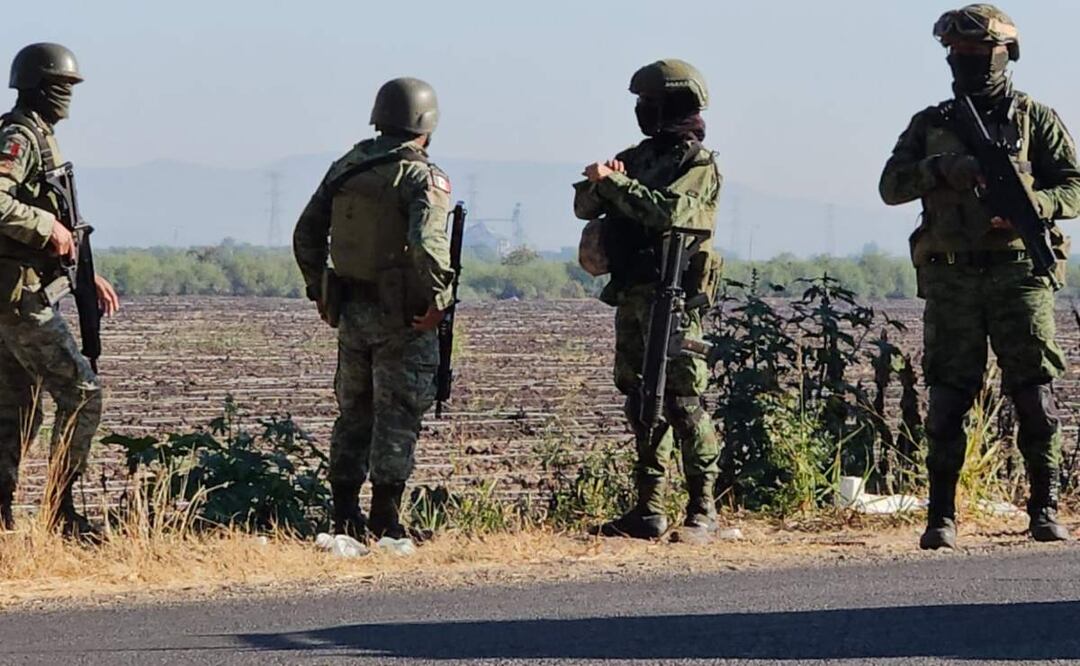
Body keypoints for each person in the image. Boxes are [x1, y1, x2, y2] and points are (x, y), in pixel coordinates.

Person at [880, 4, 1080, 549]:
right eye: (957, 54)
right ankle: (941, 516)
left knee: (1035, 395)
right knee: (948, 398)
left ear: (1004, 56)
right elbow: (891, 185)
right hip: (951, 279)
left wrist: (1029, 205)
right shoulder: (932, 123)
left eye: (977, 54)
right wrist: (940, 170)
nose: (966, 63)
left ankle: (1044, 508)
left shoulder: (1036, 119)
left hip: (1018, 275)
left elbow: (1074, 187)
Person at [293, 77, 454, 546]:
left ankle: (343, 515)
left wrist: (320, 289)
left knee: (353, 412)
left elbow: (306, 233)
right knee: (398, 412)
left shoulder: (346, 167)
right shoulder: (424, 176)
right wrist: (438, 300)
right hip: (403, 315)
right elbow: (427, 244)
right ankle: (385, 519)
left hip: (351, 312)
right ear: (426, 124)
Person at [573, 59, 723, 543]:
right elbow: (583, 205)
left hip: (674, 297)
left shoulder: (698, 165)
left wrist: (614, 184)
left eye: (648, 104)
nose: (640, 111)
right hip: (633, 293)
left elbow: (669, 213)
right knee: (641, 401)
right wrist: (603, 180)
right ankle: (648, 509)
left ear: (671, 106)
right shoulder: (637, 157)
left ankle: (703, 510)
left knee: (682, 400)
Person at [0, 43, 120, 539]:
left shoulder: (36, 134)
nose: (67, 95)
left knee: (16, 406)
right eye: (63, 86)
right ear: (41, 86)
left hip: (17, 291)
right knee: (83, 394)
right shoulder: (19, 136)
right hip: (18, 298)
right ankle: (59, 510)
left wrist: (80, 270)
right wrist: (47, 226)